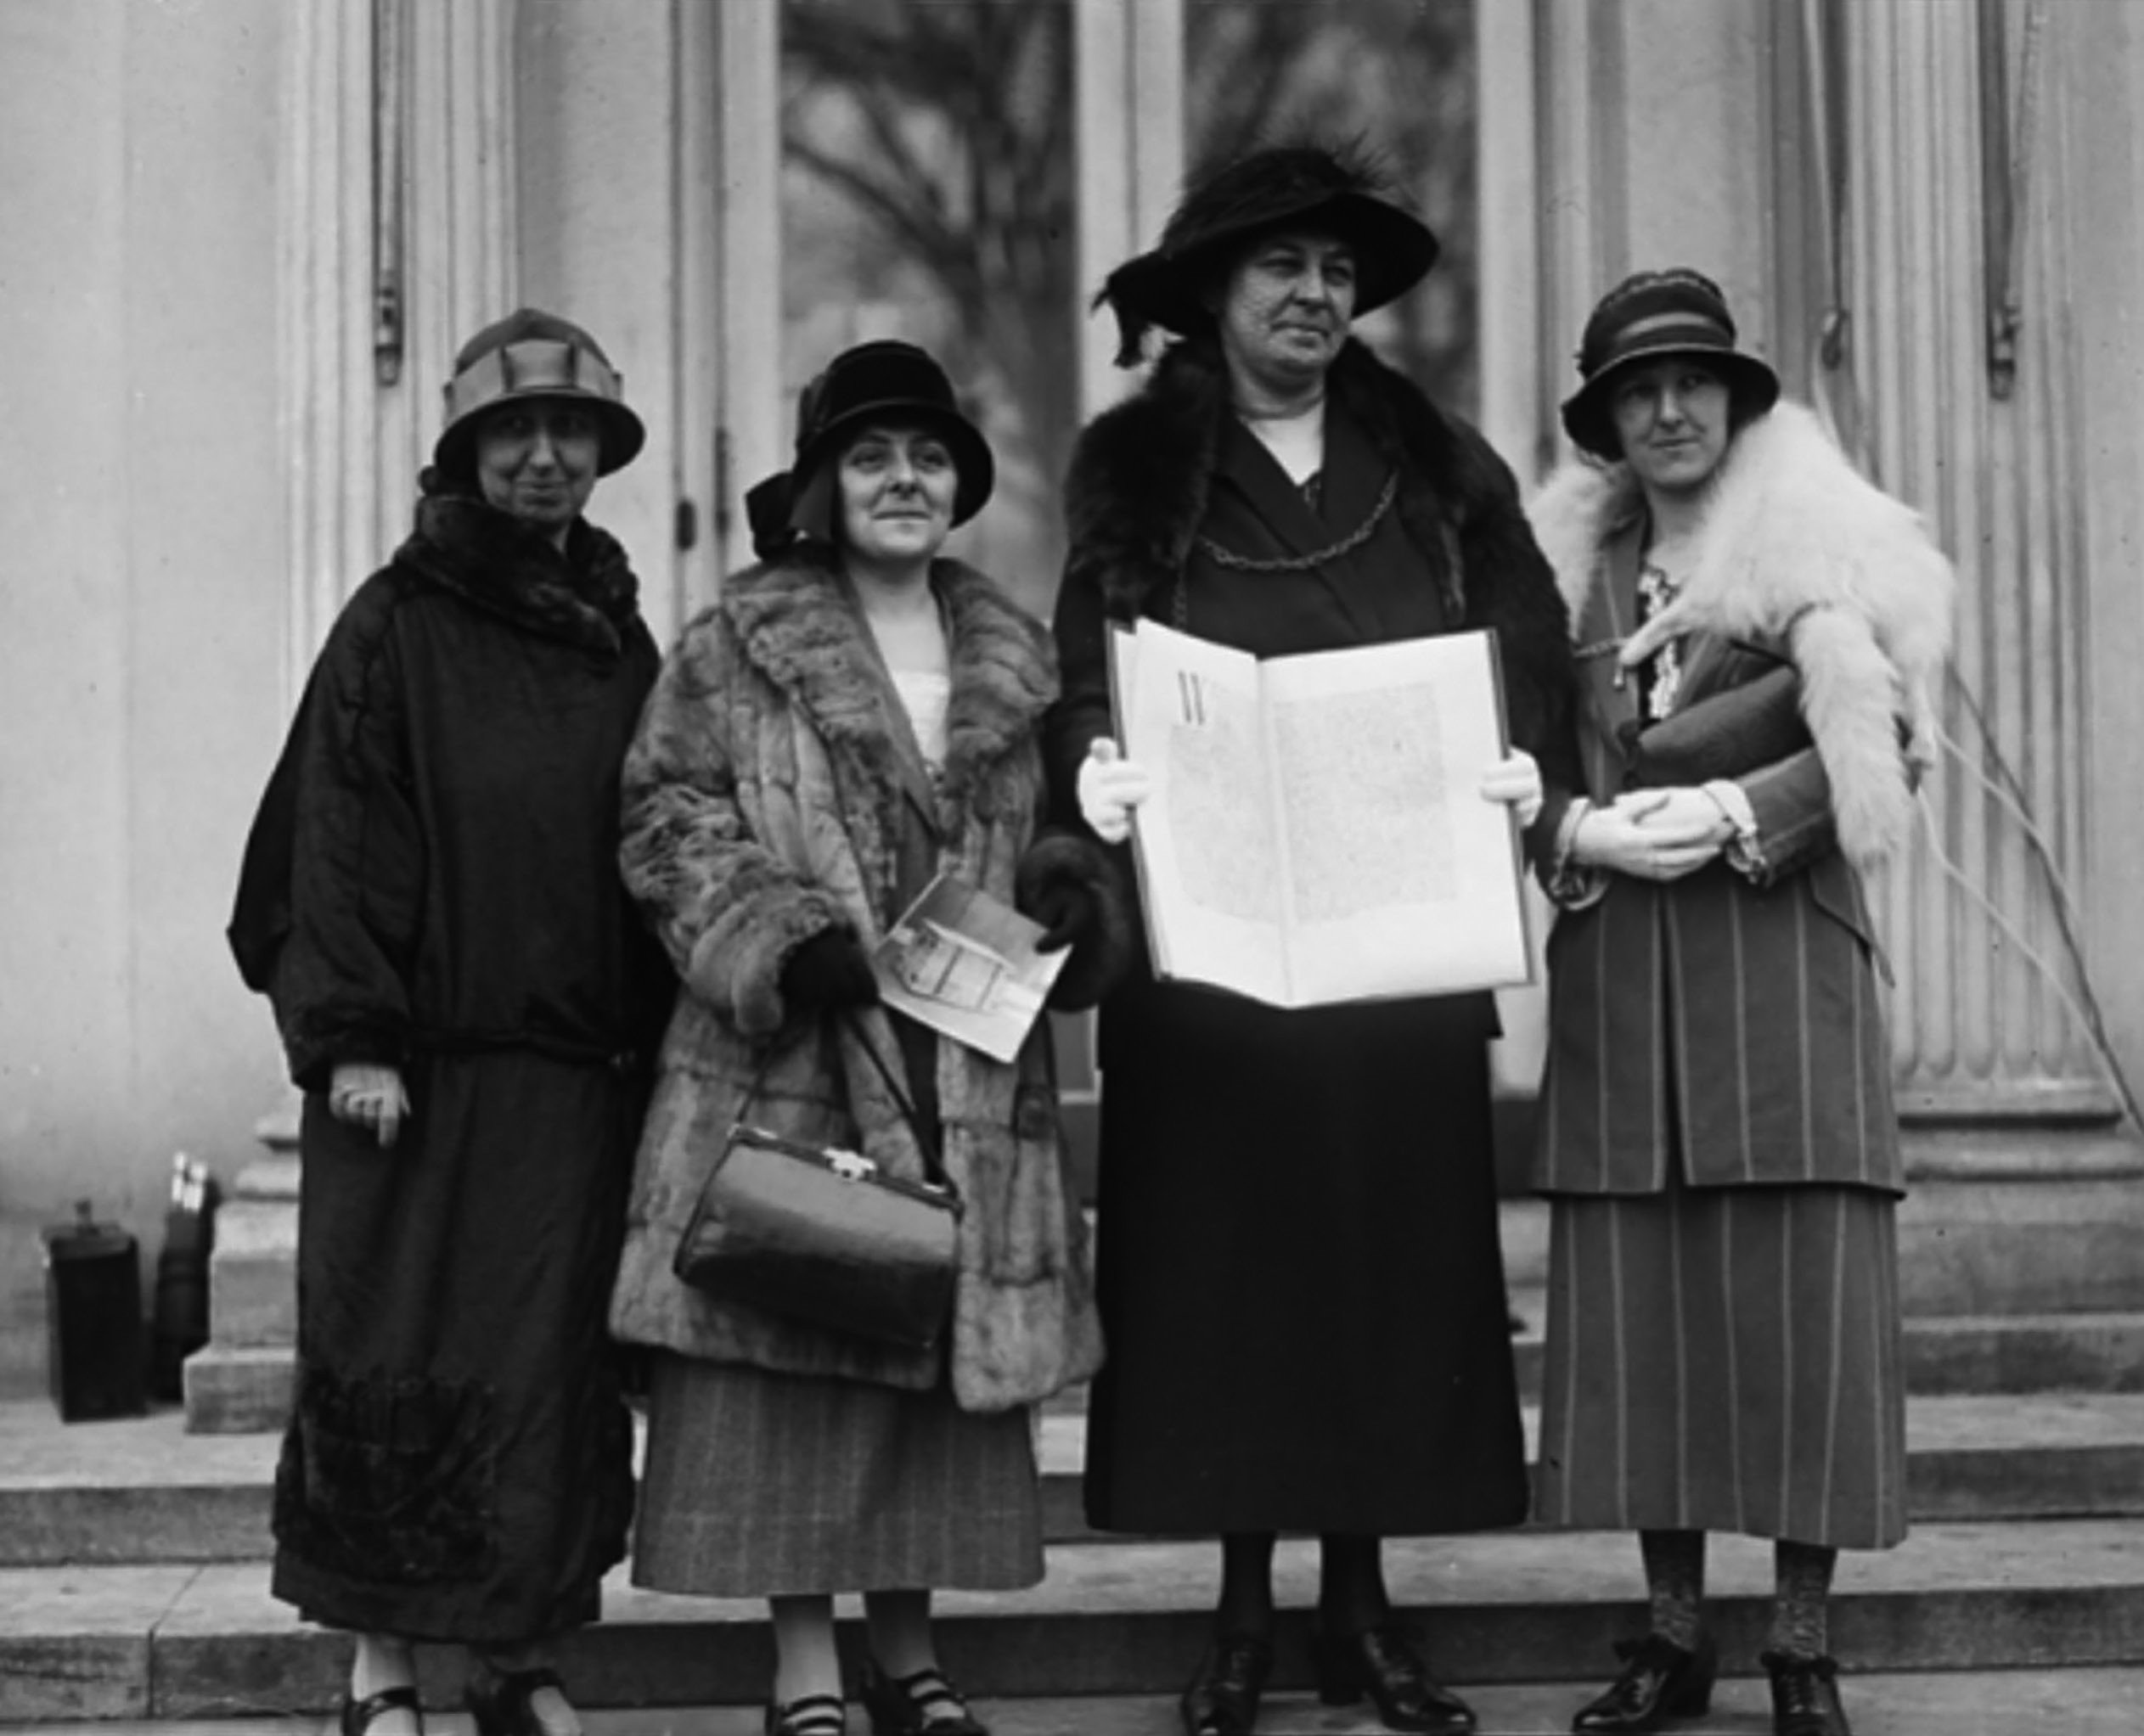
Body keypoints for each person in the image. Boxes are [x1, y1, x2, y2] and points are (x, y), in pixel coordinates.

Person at [1045, 143, 1579, 1736]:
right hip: (1207, 959)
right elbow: (1089, 660)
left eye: (1336, 271)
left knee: (1375, 1276)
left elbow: (1528, 638)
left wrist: (1520, 754)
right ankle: (1234, 1612)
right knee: (1223, 1279)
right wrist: (1097, 764)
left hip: (1390, 945)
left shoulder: (1434, 463)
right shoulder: (1136, 474)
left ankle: (1363, 1611)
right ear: (1211, 295)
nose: (1312, 295)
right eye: (1279, 266)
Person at [606, 340, 1125, 1736]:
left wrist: (1069, 882)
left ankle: (912, 1657)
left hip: (960, 1064)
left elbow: (1044, 833)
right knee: (803, 1370)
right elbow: (664, 816)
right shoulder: (735, 643)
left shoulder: (1006, 650)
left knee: (925, 1377)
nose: (905, 479)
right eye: (871, 456)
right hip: (793, 1064)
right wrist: (774, 933)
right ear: (820, 489)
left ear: (957, 486)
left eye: (930, 456)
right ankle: (806, 1674)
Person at [227, 308, 675, 1736]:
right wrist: (355, 1033)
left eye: (570, 434)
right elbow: (336, 837)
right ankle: (383, 1675)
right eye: (514, 433)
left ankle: (523, 1665)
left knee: (541, 1378)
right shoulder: (398, 618)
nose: (544, 456)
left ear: (600, 454)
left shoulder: (617, 631)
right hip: (413, 1084)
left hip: (571, 1085)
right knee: (393, 1358)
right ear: (467, 451)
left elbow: (660, 830)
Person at [1524, 268, 1954, 1736]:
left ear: (1734, 397)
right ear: (1602, 423)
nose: (1665, 409)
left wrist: (1737, 806)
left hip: (1777, 961)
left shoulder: (1822, 548)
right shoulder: (1563, 582)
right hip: (1624, 976)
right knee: (1648, 1310)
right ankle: (1667, 1633)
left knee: (1796, 1305)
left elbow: (1888, 732)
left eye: (1690, 382)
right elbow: (1510, 765)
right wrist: (1566, 830)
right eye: (1634, 392)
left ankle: (1799, 1639)